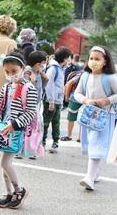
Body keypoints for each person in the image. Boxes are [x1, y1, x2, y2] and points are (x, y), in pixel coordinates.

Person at [0, 51, 38, 209]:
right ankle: (8, 193)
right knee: (5, 164)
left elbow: (30, 112)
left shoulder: (29, 88)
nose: (10, 74)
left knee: (4, 162)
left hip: (15, 130)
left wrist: (14, 124)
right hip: (2, 130)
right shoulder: (6, 87)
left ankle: (20, 190)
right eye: (7, 72)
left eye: (14, 71)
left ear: (22, 68)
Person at [74, 46, 117, 191]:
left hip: (105, 117)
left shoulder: (111, 78)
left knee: (96, 145)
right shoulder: (85, 76)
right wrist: (85, 100)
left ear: (105, 61)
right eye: (91, 58)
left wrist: (107, 100)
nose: (93, 62)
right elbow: (77, 93)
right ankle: (95, 174)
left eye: (97, 59)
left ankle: (89, 178)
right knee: (91, 145)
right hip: (89, 115)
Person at [43, 46, 73, 153]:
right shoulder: (53, 69)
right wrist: (51, 101)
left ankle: (55, 142)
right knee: (46, 122)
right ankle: (42, 143)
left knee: (56, 122)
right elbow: (49, 85)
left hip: (58, 101)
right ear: (64, 58)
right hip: (50, 101)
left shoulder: (60, 68)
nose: (70, 60)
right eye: (69, 57)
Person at [23, 50, 48, 159]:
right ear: (38, 63)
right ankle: (22, 148)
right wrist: (31, 81)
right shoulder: (28, 71)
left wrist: (45, 79)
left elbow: (42, 87)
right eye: (43, 63)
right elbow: (24, 86)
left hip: (36, 104)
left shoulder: (39, 72)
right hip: (27, 105)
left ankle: (31, 149)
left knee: (35, 127)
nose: (43, 65)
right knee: (25, 127)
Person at [62, 69, 84, 141]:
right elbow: (68, 84)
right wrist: (66, 97)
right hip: (75, 98)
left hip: (85, 100)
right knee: (71, 118)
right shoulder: (82, 74)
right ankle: (69, 135)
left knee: (83, 119)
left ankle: (79, 137)